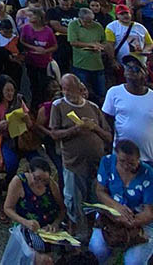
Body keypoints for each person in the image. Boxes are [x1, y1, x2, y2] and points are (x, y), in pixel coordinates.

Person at [48, 74, 112, 237]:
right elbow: (54, 133)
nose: (66, 92)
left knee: (94, 201)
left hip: (96, 164)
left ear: (79, 88)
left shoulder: (93, 107)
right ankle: (73, 234)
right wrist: (74, 130)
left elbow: (109, 136)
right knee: (73, 202)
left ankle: (91, 234)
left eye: (69, 88)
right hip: (73, 164)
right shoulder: (59, 106)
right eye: (63, 88)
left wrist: (94, 128)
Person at [88, 139, 153, 264]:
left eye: (131, 163)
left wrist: (130, 221)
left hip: (142, 222)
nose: (126, 166)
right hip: (111, 215)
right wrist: (117, 208)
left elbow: (151, 212)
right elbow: (100, 191)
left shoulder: (150, 176)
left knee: (133, 261)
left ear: (138, 159)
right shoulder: (107, 162)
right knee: (97, 249)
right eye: (122, 161)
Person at [102, 55, 153, 164]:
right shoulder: (114, 93)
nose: (130, 71)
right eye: (128, 67)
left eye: (136, 68)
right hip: (121, 159)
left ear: (145, 73)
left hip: (148, 160)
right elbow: (107, 123)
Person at [0, 157, 66, 265]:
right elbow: (7, 208)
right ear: (29, 172)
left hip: (48, 228)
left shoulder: (51, 185)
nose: (40, 183)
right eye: (37, 178)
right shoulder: (19, 182)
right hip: (26, 225)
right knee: (44, 259)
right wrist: (25, 222)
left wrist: (55, 224)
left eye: (44, 180)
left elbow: (62, 209)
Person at [0, 75, 40, 183]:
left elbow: (30, 125)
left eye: (12, 90)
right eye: (7, 90)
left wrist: (25, 118)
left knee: (37, 161)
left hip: (22, 136)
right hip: (4, 138)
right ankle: (9, 182)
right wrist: (1, 126)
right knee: (11, 163)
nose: (10, 93)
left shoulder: (18, 100)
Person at [68, 8, 107, 101]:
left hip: (97, 63)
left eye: (91, 21)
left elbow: (104, 41)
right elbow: (73, 42)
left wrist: (100, 47)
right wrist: (90, 44)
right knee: (82, 92)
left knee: (101, 92)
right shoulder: (73, 25)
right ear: (80, 19)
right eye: (86, 22)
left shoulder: (98, 26)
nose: (89, 24)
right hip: (81, 63)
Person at [20, 8, 57, 107]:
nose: (30, 18)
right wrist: (33, 47)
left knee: (44, 85)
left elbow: (54, 46)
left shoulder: (48, 31)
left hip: (44, 62)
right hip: (31, 60)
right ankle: (34, 105)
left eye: (32, 16)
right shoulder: (26, 28)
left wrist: (45, 51)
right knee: (33, 84)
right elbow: (22, 41)